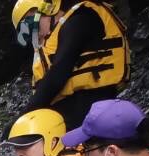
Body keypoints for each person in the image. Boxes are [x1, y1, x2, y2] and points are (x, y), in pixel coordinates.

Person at [11, 0, 129, 128]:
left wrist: (22, 117)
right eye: (27, 34)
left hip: (94, 105)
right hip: (73, 110)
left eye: (30, 27)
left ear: (49, 9)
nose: (36, 35)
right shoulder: (53, 40)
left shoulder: (81, 20)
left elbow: (58, 74)